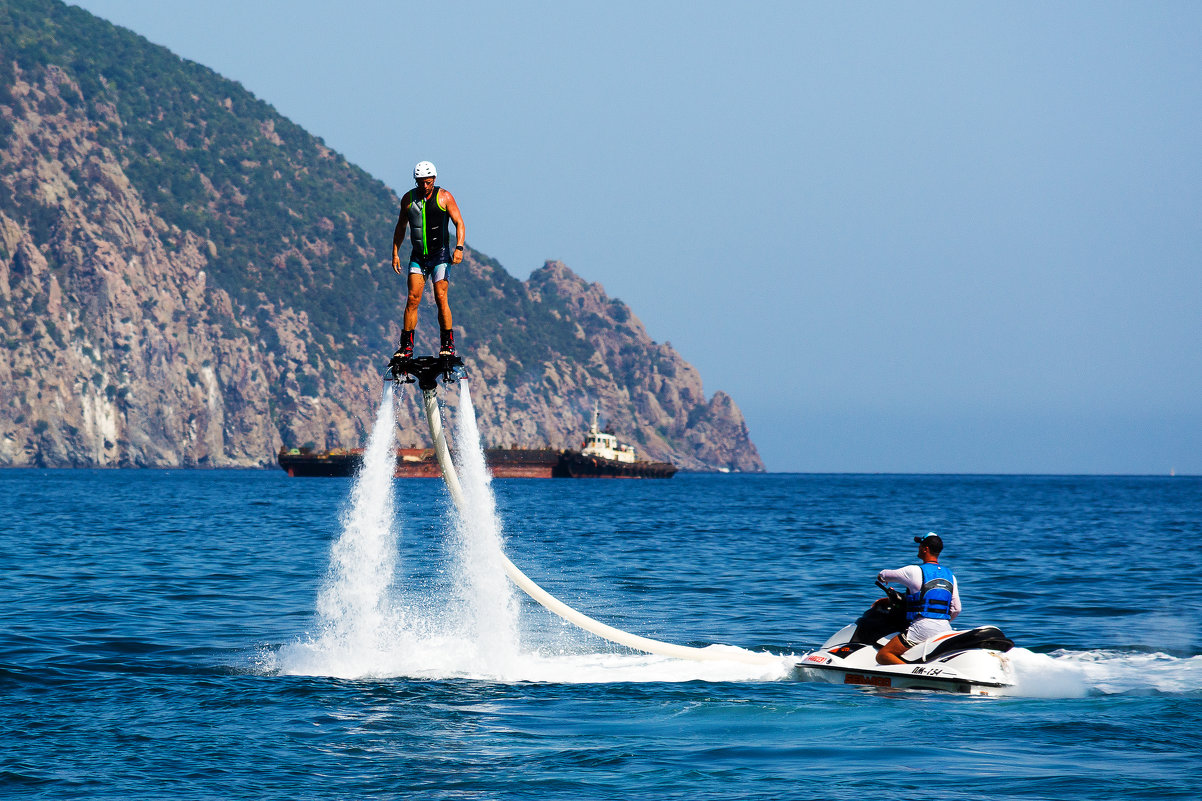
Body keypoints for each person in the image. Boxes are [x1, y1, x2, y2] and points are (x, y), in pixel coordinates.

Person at [392, 160, 466, 359]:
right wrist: (395, 253)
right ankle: (406, 347)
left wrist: (459, 248)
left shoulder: (444, 197)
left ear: (433, 179)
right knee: (412, 299)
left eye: (427, 182)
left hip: (440, 255)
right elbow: (401, 227)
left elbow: (459, 223)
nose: (424, 186)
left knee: (440, 298)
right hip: (418, 256)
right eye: (420, 182)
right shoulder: (408, 199)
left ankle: (447, 345)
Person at [875, 532, 961, 665]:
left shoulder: (914, 571)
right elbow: (956, 609)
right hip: (945, 629)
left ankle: (911, 672)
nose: (918, 548)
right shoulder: (951, 576)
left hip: (921, 628)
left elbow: (884, 574)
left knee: (883, 655)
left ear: (925, 549)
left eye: (920, 545)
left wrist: (881, 577)